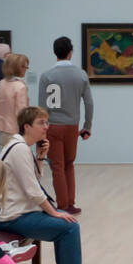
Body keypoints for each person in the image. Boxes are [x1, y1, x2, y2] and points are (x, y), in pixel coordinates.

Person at [0, 107, 97, 264]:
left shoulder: (20, 146)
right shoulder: (18, 149)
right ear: (26, 127)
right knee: (68, 226)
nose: (46, 127)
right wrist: (53, 212)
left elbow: (33, 180)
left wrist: (41, 157)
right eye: (41, 123)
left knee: (65, 221)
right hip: (13, 216)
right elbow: (33, 190)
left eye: (46, 122)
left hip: (20, 210)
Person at [38, 37, 93, 215]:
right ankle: (70, 202)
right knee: (69, 164)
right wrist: (87, 126)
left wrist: (41, 129)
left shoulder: (46, 76)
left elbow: (42, 106)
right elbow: (89, 103)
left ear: (55, 53)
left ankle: (62, 205)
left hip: (52, 126)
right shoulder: (81, 74)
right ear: (70, 52)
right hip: (72, 126)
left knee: (57, 166)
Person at [0, 53, 30, 150]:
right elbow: (21, 112)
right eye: (25, 66)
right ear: (19, 68)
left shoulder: (1, 83)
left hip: (2, 129)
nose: (26, 69)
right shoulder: (20, 86)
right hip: (16, 130)